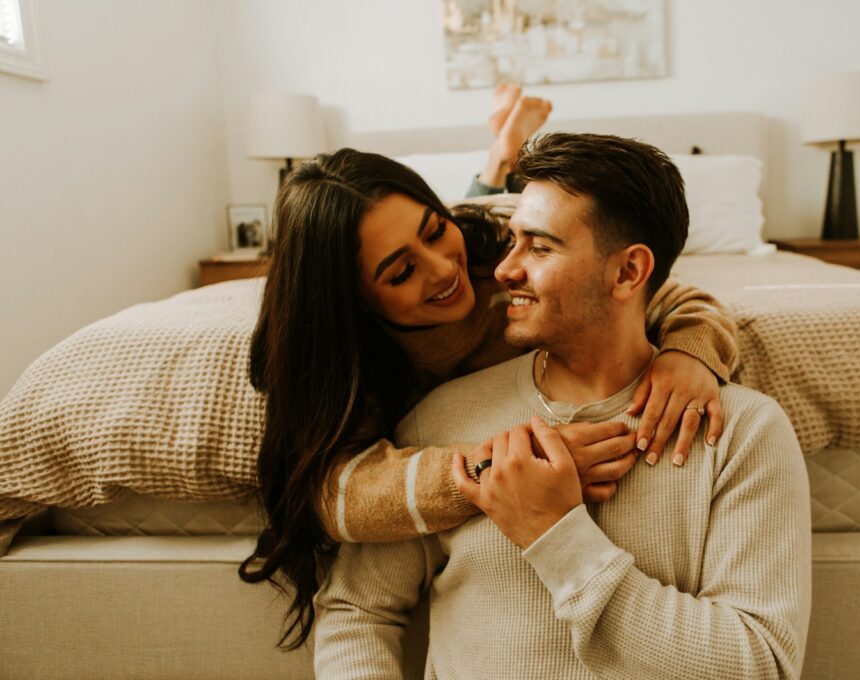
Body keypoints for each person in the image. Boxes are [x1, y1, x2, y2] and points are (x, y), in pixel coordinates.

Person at [240, 88, 741, 649]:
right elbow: (338, 494)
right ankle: (501, 148)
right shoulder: (354, 361)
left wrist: (688, 352)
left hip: (484, 216)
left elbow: (666, 294)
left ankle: (501, 160)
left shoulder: (497, 244)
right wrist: (490, 471)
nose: (441, 270)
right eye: (401, 272)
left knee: (482, 209)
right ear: (355, 303)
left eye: (432, 230)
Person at [313, 133, 812, 679]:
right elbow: (357, 611)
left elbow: (761, 666)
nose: (503, 272)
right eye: (511, 241)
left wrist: (554, 533)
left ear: (628, 273)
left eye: (540, 247)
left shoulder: (742, 430)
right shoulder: (435, 420)